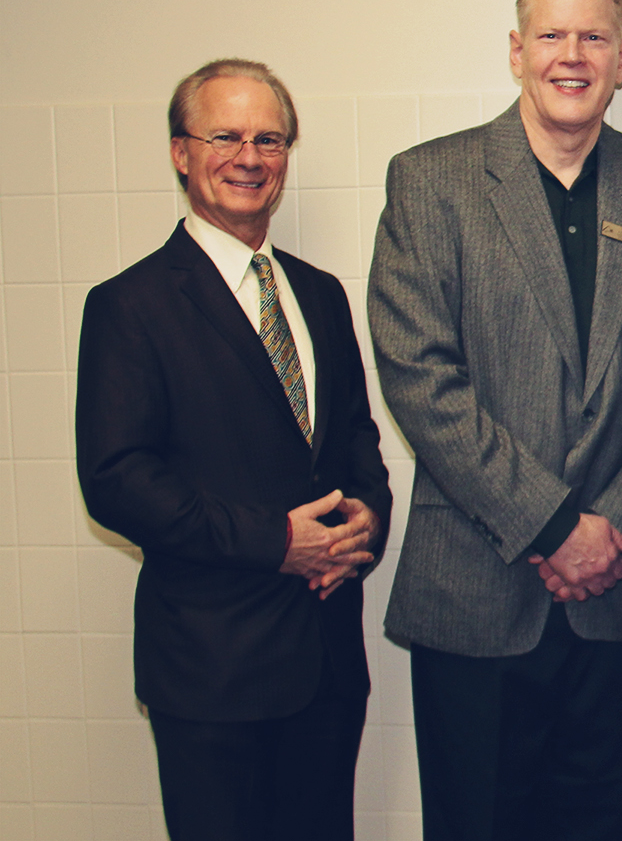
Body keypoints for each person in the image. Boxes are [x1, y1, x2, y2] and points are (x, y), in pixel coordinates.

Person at [368, 0, 622, 840]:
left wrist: (611, 527)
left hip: (617, 592)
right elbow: (419, 375)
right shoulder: (430, 180)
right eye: (552, 35)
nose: (573, 55)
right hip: (476, 591)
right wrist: (555, 525)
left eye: (593, 36)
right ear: (516, 51)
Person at [74, 58, 391, 841]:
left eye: (271, 139)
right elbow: (116, 479)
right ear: (181, 152)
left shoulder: (319, 292)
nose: (250, 158)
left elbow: (354, 437)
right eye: (226, 136)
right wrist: (275, 541)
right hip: (212, 669)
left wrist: (366, 522)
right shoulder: (129, 305)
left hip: (325, 661)